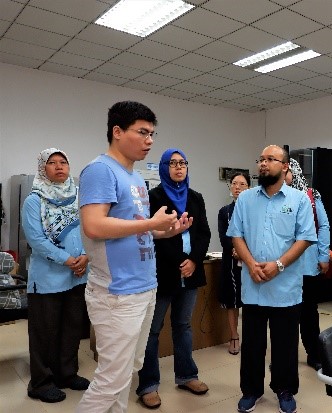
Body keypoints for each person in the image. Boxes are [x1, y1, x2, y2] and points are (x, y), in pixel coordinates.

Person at [76, 101, 192, 413]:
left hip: (144, 287)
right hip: (117, 293)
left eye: (152, 134)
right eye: (142, 132)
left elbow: (135, 231)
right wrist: (151, 223)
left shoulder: (137, 178)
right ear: (117, 131)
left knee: (128, 370)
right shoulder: (100, 170)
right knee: (110, 379)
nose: (149, 140)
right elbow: (94, 225)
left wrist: (165, 231)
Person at [227, 145, 316, 413]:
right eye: (261, 159)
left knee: (285, 345)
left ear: (285, 166)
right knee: (252, 344)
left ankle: (285, 389)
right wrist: (250, 264)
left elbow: (305, 238)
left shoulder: (299, 200)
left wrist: (278, 265)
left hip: (285, 287)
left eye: (270, 159)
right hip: (253, 285)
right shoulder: (245, 199)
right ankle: (251, 390)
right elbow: (236, 234)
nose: (263, 164)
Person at [136, 148, 211, 409]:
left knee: (183, 326)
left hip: (191, 273)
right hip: (163, 272)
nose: (179, 167)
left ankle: (187, 376)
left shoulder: (196, 197)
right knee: (152, 330)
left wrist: (194, 261)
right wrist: (181, 261)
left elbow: (203, 233)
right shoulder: (154, 197)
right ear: (164, 167)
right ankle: (148, 385)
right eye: (173, 163)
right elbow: (153, 235)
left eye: (183, 163)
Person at [22, 148, 89, 403]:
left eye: (63, 162)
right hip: (47, 279)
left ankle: (66, 374)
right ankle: (40, 382)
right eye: (52, 162)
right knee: (44, 333)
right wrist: (68, 259)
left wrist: (86, 256)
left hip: (78, 275)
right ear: (43, 168)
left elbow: (90, 229)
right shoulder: (34, 200)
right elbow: (36, 240)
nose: (59, 166)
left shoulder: (79, 196)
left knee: (72, 328)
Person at [284, 158, 330, 371]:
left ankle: (314, 354)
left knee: (309, 312)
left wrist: (323, 256)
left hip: (308, 264)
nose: (283, 175)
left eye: (286, 171)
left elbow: (324, 226)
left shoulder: (312, 195)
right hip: (282, 266)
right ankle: (285, 356)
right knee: (285, 314)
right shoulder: (274, 196)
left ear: (294, 172)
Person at [217, 171, 251, 355]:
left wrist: (245, 252)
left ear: (249, 188)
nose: (237, 187)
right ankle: (234, 337)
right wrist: (236, 250)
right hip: (231, 260)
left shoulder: (254, 210)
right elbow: (225, 237)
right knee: (232, 301)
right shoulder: (225, 211)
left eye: (242, 184)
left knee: (251, 301)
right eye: (234, 184)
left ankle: (252, 337)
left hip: (251, 260)